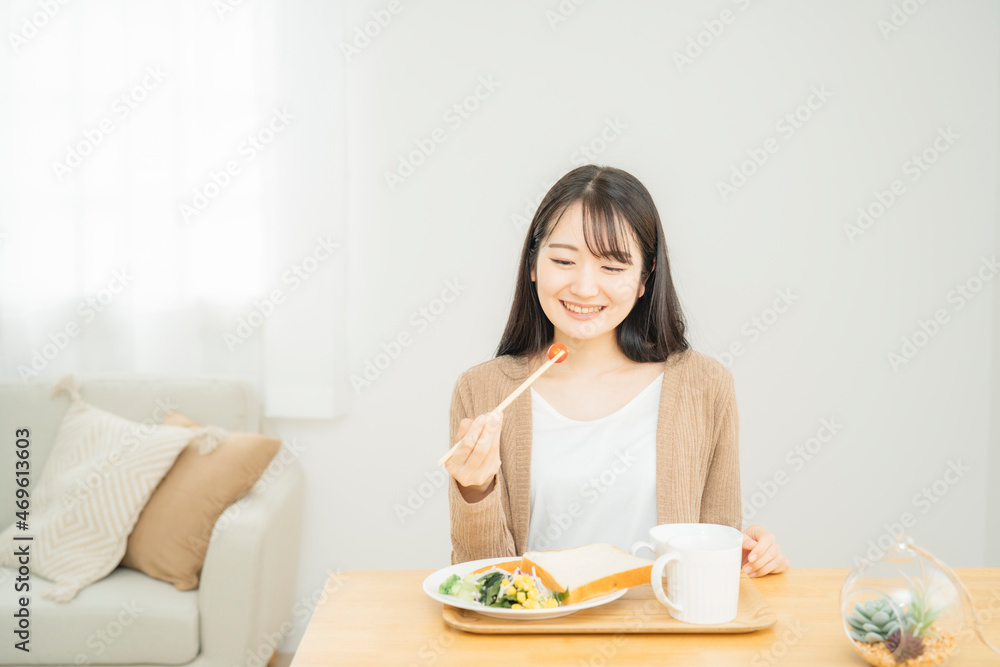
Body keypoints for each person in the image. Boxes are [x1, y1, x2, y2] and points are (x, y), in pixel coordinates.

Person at [445, 165, 789, 579]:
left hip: (662, 635)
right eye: (564, 260)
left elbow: (714, 553)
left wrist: (750, 557)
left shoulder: (705, 386)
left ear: (645, 279)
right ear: (533, 265)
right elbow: (480, 581)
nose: (585, 288)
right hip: (535, 638)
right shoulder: (483, 391)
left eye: (612, 267)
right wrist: (475, 490)